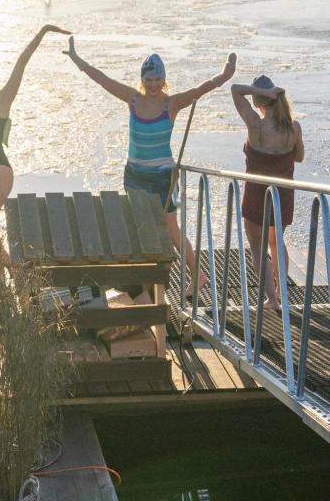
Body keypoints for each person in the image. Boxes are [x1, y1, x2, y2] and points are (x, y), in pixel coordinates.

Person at [65, 40, 236, 283]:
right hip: (134, 175)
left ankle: (198, 276)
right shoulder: (132, 99)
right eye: (149, 79)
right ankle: (147, 281)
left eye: (157, 79)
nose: (153, 84)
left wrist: (225, 75)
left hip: (164, 177)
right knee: (141, 227)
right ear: (142, 79)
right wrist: (76, 59)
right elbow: (103, 80)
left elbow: (201, 89)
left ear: (163, 79)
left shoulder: (172, 103)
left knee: (170, 228)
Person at [0, 25, 69, 266]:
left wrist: (42, 32)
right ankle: (3, 289)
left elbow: (21, 63)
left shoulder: (1, 100)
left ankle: (15, 267)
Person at [230, 75, 304, 313]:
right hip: (282, 194)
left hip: (256, 195)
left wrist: (259, 90)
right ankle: (282, 292)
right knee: (276, 241)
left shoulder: (255, 125)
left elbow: (234, 90)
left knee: (258, 248)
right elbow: (300, 157)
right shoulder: (293, 128)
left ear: (258, 101)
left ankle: (271, 298)